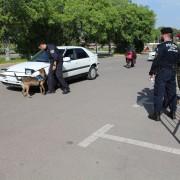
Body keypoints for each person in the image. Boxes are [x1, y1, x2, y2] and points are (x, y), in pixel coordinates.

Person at [148, 27, 180, 121]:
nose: (161, 36)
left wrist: (152, 72)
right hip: (172, 72)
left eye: (162, 35)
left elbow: (156, 61)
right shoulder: (176, 47)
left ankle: (156, 115)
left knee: (158, 93)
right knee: (172, 93)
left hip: (163, 72)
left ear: (165, 35)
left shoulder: (161, 47)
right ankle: (173, 113)